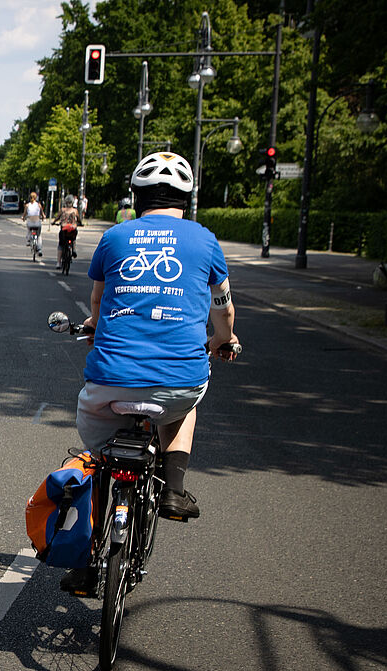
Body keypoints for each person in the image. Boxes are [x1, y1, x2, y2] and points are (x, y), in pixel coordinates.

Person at [60, 152, 239, 593]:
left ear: (136, 197)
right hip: (178, 382)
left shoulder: (115, 237)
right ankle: (174, 487)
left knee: (101, 462)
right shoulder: (205, 241)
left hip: (109, 381)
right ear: (187, 199)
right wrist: (222, 341)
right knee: (187, 402)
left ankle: (87, 557)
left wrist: (92, 328)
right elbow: (224, 309)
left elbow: (98, 307)